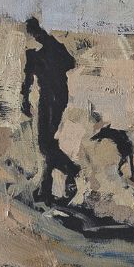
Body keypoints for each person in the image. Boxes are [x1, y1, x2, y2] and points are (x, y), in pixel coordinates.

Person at [19, 17, 80, 206]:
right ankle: (46, 188)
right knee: (46, 144)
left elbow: (71, 63)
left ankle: (69, 170)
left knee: (46, 144)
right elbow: (28, 80)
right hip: (52, 98)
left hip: (55, 98)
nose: (34, 35)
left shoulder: (47, 49)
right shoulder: (38, 52)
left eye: (33, 31)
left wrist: (24, 101)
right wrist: (24, 100)